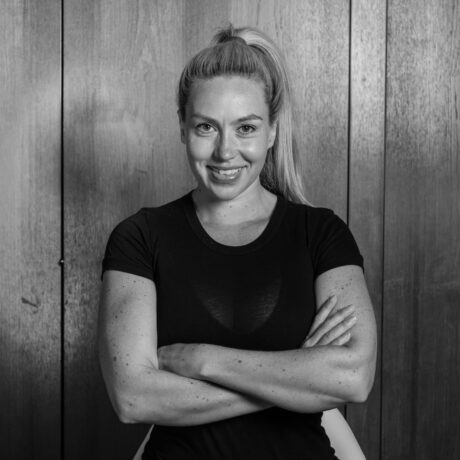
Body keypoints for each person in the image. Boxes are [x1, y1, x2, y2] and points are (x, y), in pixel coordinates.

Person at [98, 24, 377, 460]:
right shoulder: (140, 238)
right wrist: (295, 377)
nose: (225, 151)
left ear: (272, 131)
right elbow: (133, 398)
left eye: (246, 128)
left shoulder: (321, 233)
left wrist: (204, 360)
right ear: (182, 127)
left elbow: (353, 377)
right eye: (206, 127)